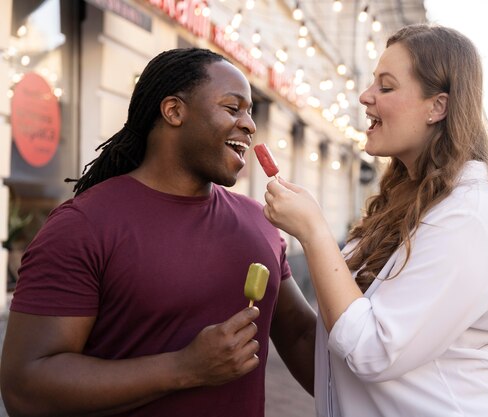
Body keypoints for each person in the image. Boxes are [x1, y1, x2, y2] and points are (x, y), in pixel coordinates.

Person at [0, 48, 316, 417]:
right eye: (233, 108)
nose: (249, 124)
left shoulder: (261, 221)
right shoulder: (83, 225)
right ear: (174, 111)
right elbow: (25, 388)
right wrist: (184, 369)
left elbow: (300, 336)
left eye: (249, 112)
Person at [263, 24, 488, 417]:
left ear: (437, 107)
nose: (365, 96)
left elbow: (372, 350)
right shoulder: (407, 199)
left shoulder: (467, 214)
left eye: (386, 86)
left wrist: (313, 232)